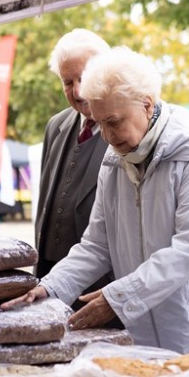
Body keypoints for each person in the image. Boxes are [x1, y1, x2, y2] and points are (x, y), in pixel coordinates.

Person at [6, 47, 189, 365]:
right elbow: (97, 245)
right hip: (156, 316)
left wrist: (119, 297)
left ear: (147, 104)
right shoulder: (114, 161)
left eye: (114, 122)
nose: (107, 136)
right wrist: (50, 287)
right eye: (100, 123)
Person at [35, 29, 112, 287]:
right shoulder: (55, 126)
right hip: (49, 275)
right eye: (67, 82)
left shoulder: (127, 127)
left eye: (84, 77)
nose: (77, 91)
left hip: (100, 281)